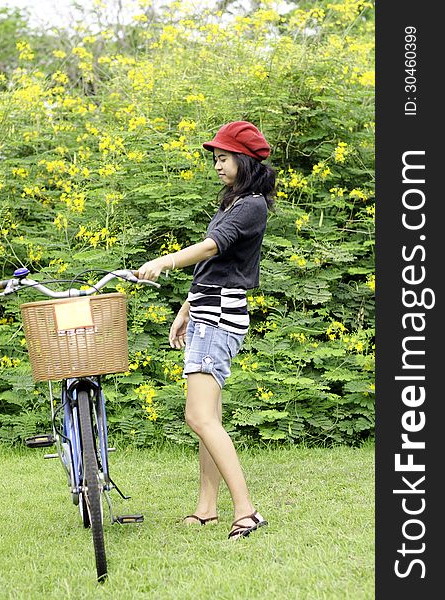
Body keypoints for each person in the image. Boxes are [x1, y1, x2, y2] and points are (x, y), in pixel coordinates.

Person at [136, 121, 276, 539]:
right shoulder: (233, 204)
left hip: (219, 317)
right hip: (206, 309)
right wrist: (186, 307)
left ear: (245, 161)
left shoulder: (252, 205)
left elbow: (213, 247)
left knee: (198, 416)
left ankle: (247, 511)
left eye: (224, 158)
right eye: (215, 158)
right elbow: (214, 267)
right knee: (208, 416)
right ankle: (207, 509)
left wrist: (164, 262)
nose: (217, 166)